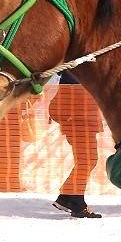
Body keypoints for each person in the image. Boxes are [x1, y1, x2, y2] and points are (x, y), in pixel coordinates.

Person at [49, 71, 104, 219]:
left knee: (87, 161)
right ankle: (75, 201)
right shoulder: (77, 73)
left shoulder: (76, 72)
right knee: (87, 161)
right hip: (80, 122)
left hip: (82, 121)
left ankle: (67, 197)